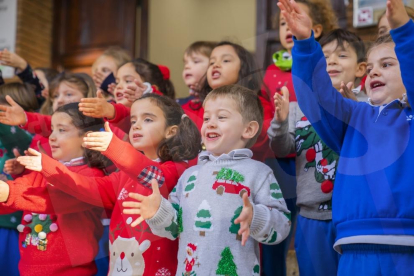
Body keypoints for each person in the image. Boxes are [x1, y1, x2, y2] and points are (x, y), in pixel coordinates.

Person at [279, 0, 414, 274]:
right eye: (372, 65)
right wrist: (305, 44)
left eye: (387, 64)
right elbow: (317, 96)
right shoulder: (354, 116)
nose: (375, 70)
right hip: (352, 245)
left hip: (405, 245)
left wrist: (403, 31)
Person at [16, 94, 201, 275]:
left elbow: (155, 178)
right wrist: (49, 167)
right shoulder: (123, 176)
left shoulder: (179, 169)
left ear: (171, 131)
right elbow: (86, 187)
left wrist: (116, 148)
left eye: (148, 119)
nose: (136, 125)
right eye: (133, 120)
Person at [124, 85, 291, 275]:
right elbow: (172, 229)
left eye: (221, 117)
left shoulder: (259, 172)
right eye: (206, 118)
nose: (210, 123)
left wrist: (255, 217)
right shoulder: (189, 175)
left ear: (249, 129)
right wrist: (158, 213)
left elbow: (282, 226)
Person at [268, 28, 366, 276]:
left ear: (361, 69)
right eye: (325, 56)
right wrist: (279, 122)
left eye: (342, 56)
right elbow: (282, 149)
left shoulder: (368, 105)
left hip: (354, 215)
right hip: (311, 216)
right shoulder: (298, 108)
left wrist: (354, 111)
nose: (331, 61)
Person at [260, 2, 337, 274]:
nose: (287, 27)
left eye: (293, 20)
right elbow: (271, 125)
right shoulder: (271, 73)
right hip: (286, 166)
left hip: (323, 174)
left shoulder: (329, 72)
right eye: (282, 23)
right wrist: (279, 122)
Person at [0, 103, 110, 275]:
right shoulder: (41, 171)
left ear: (86, 137)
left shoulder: (91, 177)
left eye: (62, 130)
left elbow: (56, 199)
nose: (51, 137)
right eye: (51, 130)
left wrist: (7, 192)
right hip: (28, 270)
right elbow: (14, 192)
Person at [179, 41, 216, 128]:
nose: (187, 66)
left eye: (195, 61)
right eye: (185, 63)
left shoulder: (218, 102)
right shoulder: (181, 104)